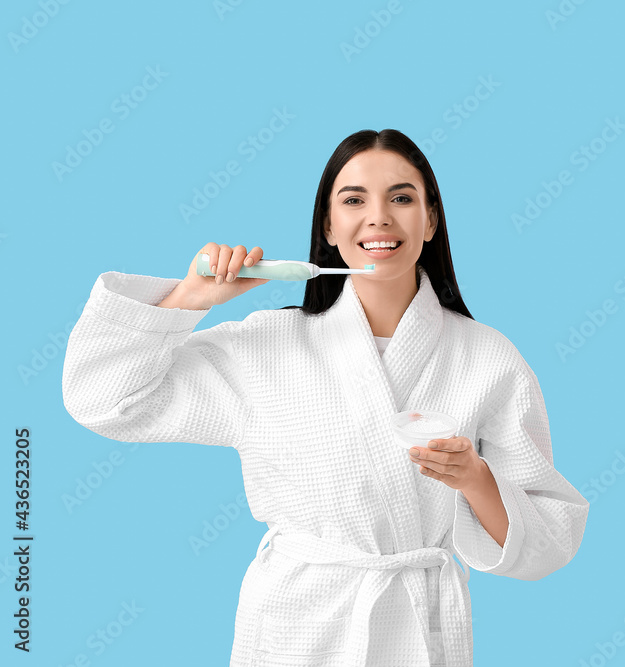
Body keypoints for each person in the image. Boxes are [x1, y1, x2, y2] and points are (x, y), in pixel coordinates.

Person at [62, 129, 589, 666]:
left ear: (430, 220)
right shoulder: (267, 345)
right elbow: (105, 399)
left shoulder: (488, 358)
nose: (379, 217)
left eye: (402, 198)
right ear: (327, 225)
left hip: (416, 631)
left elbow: (550, 538)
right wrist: (192, 297)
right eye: (354, 200)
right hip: (298, 625)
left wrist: (475, 478)